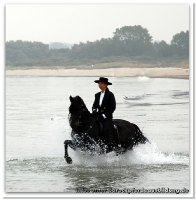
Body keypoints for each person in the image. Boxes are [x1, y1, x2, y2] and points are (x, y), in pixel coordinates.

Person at [92, 77, 116, 147]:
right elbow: (94, 106)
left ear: (106, 85)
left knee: (106, 129)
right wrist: (94, 111)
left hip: (106, 117)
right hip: (97, 116)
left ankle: (107, 145)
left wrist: (104, 116)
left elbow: (112, 108)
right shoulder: (97, 95)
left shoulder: (110, 95)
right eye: (99, 84)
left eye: (101, 83)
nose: (99, 85)